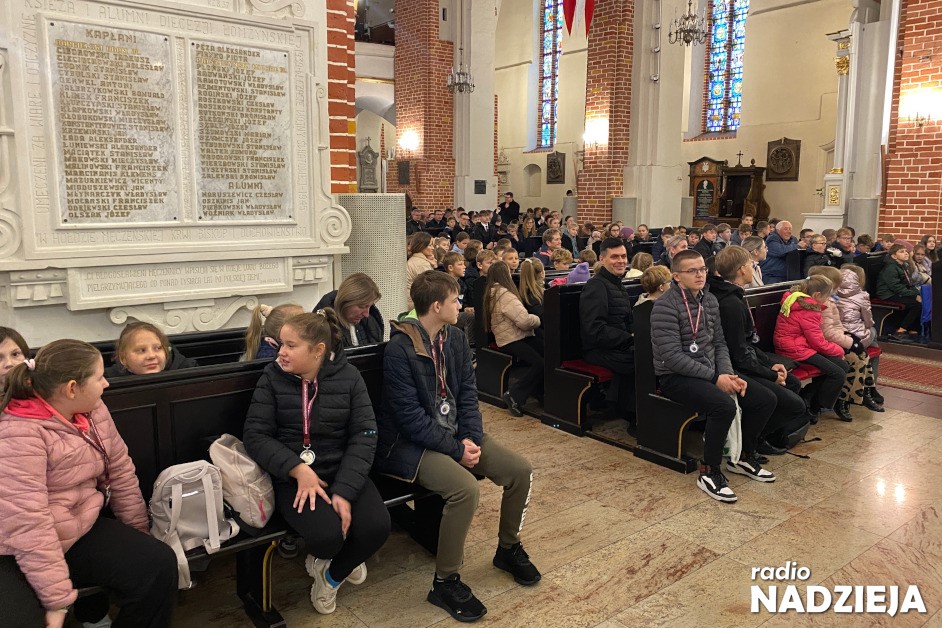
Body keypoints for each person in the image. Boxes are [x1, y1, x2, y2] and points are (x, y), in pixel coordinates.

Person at [377, 272, 540, 623]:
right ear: (437, 306)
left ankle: (508, 548)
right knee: (465, 489)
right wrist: (456, 450)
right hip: (409, 445)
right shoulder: (399, 349)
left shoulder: (453, 337)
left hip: (454, 434)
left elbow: (467, 393)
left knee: (520, 471)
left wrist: (470, 437)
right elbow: (409, 419)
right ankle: (445, 581)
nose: (460, 305)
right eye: (454, 300)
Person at [0, 339, 178, 627]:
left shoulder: (93, 409)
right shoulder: (19, 432)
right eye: (99, 377)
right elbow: (27, 522)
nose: (106, 383)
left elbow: (120, 472)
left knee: (157, 564)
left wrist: (139, 533)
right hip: (19, 545)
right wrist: (57, 600)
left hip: (79, 525)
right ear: (72, 389)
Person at [243, 310, 390, 615]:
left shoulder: (349, 377)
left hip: (342, 468)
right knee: (327, 536)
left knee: (377, 527)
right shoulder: (272, 377)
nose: (280, 352)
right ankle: (330, 558)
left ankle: (330, 575)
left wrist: (345, 491)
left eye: (290, 345)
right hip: (293, 476)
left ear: (318, 350)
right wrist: (298, 469)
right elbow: (256, 436)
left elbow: (365, 434)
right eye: (281, 344)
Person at [652, 250, 776, 503]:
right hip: (675, 376)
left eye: (702, 269)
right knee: (722, 406)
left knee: (765, 399)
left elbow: (719, 343)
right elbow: (672, 357)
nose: (700, 275)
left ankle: (742, 457)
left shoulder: (708, 300)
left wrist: (727, 373)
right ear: (677, 276)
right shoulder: (665, 306)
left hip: (711, 370)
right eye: (692, 271)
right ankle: (709, 471)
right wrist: (715, 379)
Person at [709, 247, 811, 455]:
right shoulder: (730, 303)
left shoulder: (732, 295)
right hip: (733, 367)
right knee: (792, 404)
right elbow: (738, 353)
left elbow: (747, 344)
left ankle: (763, 435)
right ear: (741, 270)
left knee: (792, 382)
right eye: (749, 264)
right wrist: (770, 374)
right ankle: (749, 445)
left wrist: (770, 364)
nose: (752, 268)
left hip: (744, 359)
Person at [773, 275, 851, 420]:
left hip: (798, 345)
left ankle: (809, 398)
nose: (828, 300)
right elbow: (818, 343)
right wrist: (839, 350)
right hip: (794, 350)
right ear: (817, 295)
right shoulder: (808, 310)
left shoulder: (797, 300)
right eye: (827, 297)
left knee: (843, 366)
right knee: (837, 373)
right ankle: (814, 407)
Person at [580, 237, 637, 433]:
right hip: (597, 349)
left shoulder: (617, 283)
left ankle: (622, 404)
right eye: (615, 257)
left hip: (616, 345)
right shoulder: (596, 286)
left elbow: (626, 319)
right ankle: (633, 415)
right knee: (640, 361)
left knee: (651, 353)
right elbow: (594, 329)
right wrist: (630, 338)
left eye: (623, 256)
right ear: (602, 259)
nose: (621, 261)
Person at [808, 266, 883, 414]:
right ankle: (844, 399)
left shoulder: (830, 300)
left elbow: (837, 325)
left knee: (863, 354)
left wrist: (849, 337)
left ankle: (862, 393)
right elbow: (828, 333)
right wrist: (851, 342)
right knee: (857, 356)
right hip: (823, 344)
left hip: (834, 339)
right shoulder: (824, 303)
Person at [484, 262, 544, 416]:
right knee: (539, 363)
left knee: (546, 350)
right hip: (511, 339)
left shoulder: (492, 292)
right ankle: (514, 395)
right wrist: (537, 319)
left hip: (513, 335)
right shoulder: (505, 295)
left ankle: (538, 391)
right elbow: (524, 322)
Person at [837, 265, 885, 405]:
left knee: (869, 343)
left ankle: (867, 388)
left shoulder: (832, 291)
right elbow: (868, 322)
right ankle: (871, 387)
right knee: (873, 333)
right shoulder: (862, 295)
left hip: (838, 334)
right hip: (850, 338)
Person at [314, 273, 385, 347]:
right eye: (362, 306)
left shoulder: (372, 322)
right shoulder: (322, 327)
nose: (366, 314)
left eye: (369, 306)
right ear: (345, 301)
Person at [106, 322, 198, 377]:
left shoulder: (190, 370)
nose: (151, 356)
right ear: (123, 358)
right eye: (141, 350)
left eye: (158, 348)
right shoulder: (108, 380)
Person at [876, 243, 923, 338]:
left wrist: (917, 293)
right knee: (916, 305)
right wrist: (914, 295)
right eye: (901, 252)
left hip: (896, 292)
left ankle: (913, 328)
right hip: (887, 294)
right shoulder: (890, 268)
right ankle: (902, 328)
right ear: (894, 256)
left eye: (906, 251)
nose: (906, 253)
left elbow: (908, 283)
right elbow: (896, 287)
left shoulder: (904, 265)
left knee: (920, 301)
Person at [406, 232, 437, 309]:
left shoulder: (416, 260)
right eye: (430, 245)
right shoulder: (422, 264)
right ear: (421, 246)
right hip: (416, 304)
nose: (433, 248)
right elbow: (429, 288)